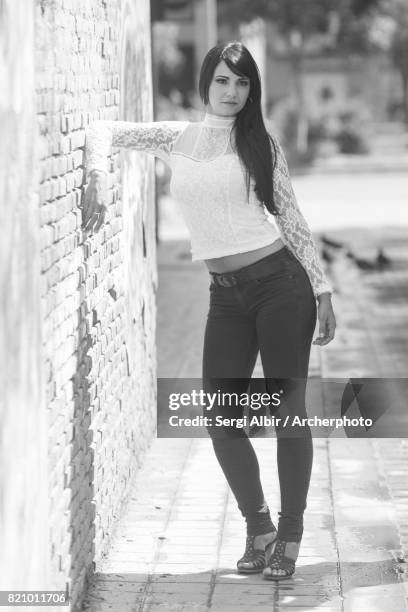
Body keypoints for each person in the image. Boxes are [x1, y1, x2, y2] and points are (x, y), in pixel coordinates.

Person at [84, 41, 336, 581]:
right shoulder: (174, 138)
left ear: (253, 90)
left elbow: (290, 217)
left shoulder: (259, 144)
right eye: (223, 80)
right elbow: (108, 132)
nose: (231, 92)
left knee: (286, 411)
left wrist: (322, 288)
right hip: (225, 295)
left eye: (242, 83)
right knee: (221, 417)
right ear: (207, 83)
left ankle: (290, 537)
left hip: (280, 286)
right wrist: (101, 186)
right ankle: (259, 527)